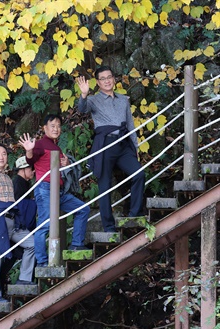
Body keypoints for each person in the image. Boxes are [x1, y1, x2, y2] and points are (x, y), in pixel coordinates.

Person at [77, 66, 145, 232]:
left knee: (139, 173)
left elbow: (130, 124)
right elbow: (81, 110)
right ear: (98, 82)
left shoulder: (123, 99)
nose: (107, 81)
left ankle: (134, 213)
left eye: (109, 77)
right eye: (103, 78)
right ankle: (108, 226)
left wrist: (135, 146)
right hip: (105, 145)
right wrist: (84, 95)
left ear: (114, 79)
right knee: (105, 185)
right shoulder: (93, 100)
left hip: (123, 145)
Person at [19, 114, 91, 268]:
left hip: (58, 191)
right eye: (52, 125)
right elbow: (31, 160)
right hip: (45, 189)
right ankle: (43, 262)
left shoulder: (56, 146)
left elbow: (59, 170)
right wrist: (29, 151)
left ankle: (77, 244)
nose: (56, 129)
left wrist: (65, 164)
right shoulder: (40, 144)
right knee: (45, 225)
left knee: (83, 209)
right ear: (44, 128)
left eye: (58, 126)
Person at [0, 143, 36, 302]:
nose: (1, 157)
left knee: (33, 243)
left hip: (12, 222)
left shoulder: (8, 178)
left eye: (4, 153)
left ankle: (24, 278)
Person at [11, 156, 38, 284]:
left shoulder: (23, 183)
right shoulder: (18, 183)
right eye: (32, 169)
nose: (33, 172)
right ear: (23, 170)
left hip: (18, 224)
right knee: (32, 245)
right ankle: (24, 279)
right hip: (16, 225)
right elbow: (19, 206)